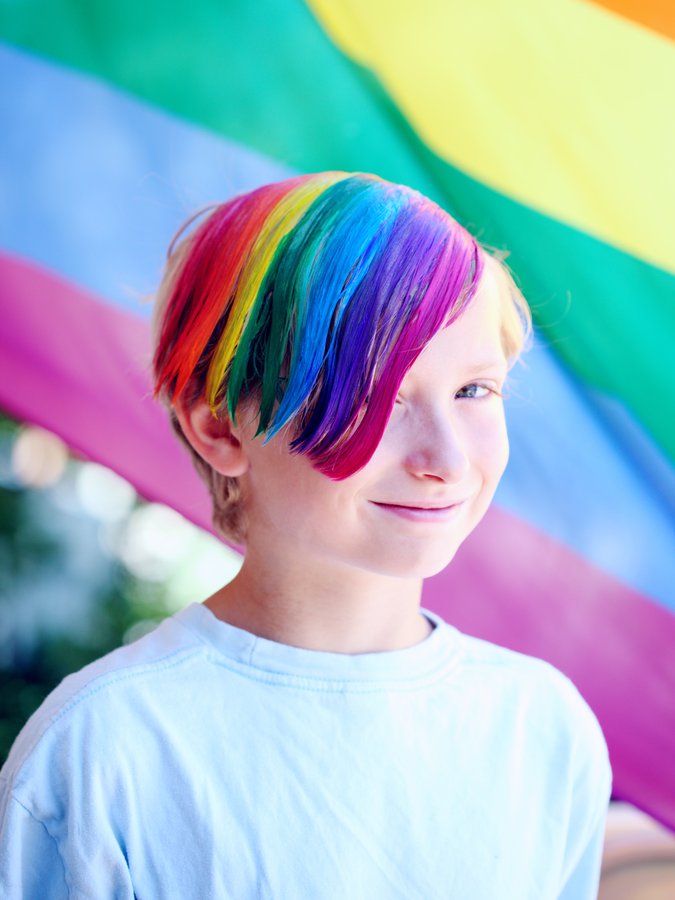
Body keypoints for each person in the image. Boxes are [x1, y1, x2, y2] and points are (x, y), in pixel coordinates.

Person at [0, 172, 612, 898]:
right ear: (221, 426)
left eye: (472, 390)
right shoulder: (103, 751)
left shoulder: (540, 730)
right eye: (372, 395)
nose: (445, 460)